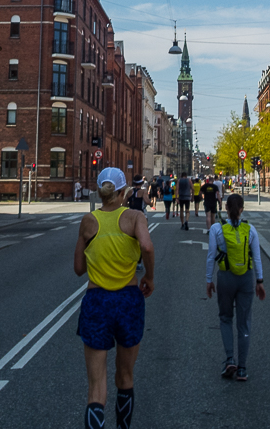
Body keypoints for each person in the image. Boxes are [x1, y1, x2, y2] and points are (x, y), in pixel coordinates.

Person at [75, 167, 154, 429]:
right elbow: (146, 246)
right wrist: (149, 277)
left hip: (96, 301)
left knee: (96, 388)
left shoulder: (89, 221)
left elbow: (78, 268)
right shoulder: (134, 217)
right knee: (125, 376)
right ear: (122, 192)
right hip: (128, 301)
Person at [206, 194, 264, 382]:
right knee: (244, 322)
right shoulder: (250, 229)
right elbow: (257, 258)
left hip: (225, 278)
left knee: (225, 318)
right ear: (242, 209)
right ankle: (242, 368)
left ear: (225, 207)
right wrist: (260, 281)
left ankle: (230, 358)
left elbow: (210, 256)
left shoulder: (217, 228)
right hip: (246, 279)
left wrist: (209, 280)